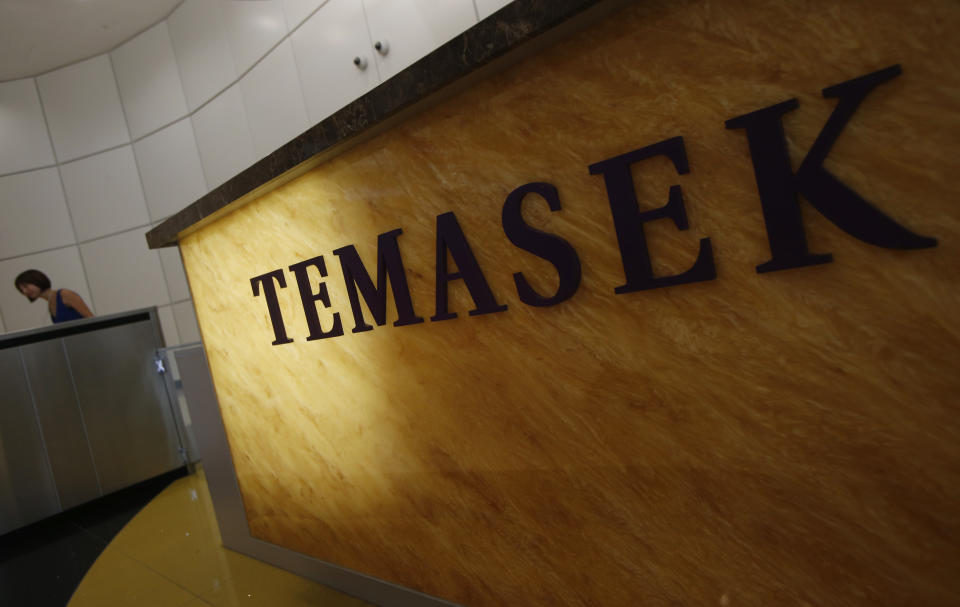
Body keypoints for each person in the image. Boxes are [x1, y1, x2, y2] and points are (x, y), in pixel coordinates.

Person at [14, 269, 94, 324]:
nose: (24, 292)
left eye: (25, 286)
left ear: (36, 280)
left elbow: (91, 318)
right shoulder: (50, 303)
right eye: (21, 290)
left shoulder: (64, 294)